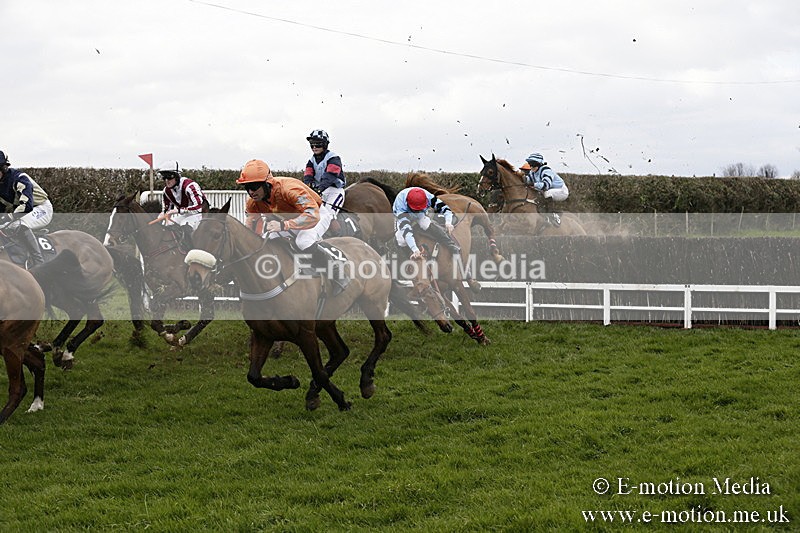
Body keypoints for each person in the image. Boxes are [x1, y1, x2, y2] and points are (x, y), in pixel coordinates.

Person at [237, 159, 349, 294]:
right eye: (247, 187)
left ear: (267, 183)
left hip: (317, 214)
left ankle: (336, 269)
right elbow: (250, 224)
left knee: (303, 241)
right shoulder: (253, 202)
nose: (251, 192)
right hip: (291, 221)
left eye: (254, 186)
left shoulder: (289, 189)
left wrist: (284, 225)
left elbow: (312, 215)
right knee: (270, 240)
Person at [0, 150, 52, 266]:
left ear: (3, 168)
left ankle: (39, 263)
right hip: (25, 211)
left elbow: (27, 205)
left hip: (41, 208)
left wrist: (8, 217)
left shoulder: (19, 178)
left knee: (18, 224)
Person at [393, 186, 460, 260]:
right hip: (404, 215)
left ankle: (452, 246)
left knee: (426, 224)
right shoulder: (400, 206)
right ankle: (407, 259)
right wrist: (415, 249)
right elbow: (406, 231)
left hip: (420, 214)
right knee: (401, 241)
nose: (417, 211)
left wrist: (448, 222)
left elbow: (445, 208)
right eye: (416, 210)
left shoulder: (428, 196)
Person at [303, 129, 345, 237]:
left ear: (325, 144)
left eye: (318, 144)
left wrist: (318, 189)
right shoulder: (311, 161)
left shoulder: (333, 158)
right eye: (312, 145)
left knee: (328, 215)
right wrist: (309, 188)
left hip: (335, 191)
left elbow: (329, 176)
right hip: (320, 192)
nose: (314, 147)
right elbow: (308, 177)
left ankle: (339, 237)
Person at [157, 160, 207, 247]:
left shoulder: (190, 186)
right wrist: (161, 216)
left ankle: (193, 250)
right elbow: (166, 210)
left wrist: (177, 211)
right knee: (169, 226)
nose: (166, 181)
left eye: (169, 177)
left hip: (202, 214)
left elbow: (199, 208)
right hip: (186, 214)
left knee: (185, 224)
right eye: (164, 178)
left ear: (176, 176)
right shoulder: (166, 191)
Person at [524, 152, 568, 227]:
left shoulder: (546, 170)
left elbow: (546, 185)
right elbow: (528, 180)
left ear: (539, 164)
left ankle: (553, 215)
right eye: (530, 165)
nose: (531, 167)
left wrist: (533, 184)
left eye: (533, 165)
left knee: (547, 193)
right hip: (550, 191)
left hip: (561, 191)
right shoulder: (533, 172)